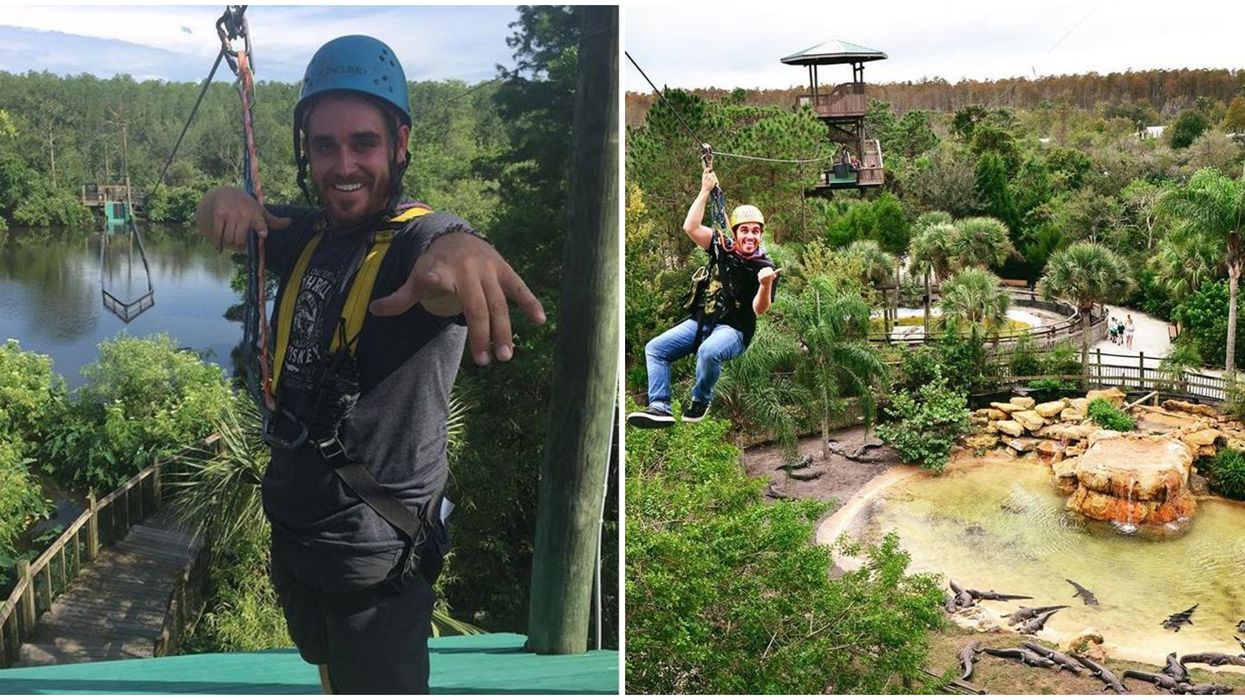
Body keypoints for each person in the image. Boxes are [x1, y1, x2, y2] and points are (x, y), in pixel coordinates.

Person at [195, 35, 543, 693]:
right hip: (299, 529)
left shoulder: (416, 244)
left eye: (363, 143)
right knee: (327, 668)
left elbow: (445, 252)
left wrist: (463, 252)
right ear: (306, 152)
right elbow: (215, 213)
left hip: (377, 552)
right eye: (324, 146)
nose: (342, 164)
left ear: (400, 143)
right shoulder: (307, 233)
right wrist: (222, 198)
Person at [626, 166, 778, 428]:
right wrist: (705, 191)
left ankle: (701, 399)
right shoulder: (722, 247)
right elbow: (691, 227)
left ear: (760, 235)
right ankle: (660, 406)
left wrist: (765, 284)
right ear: (735, 232)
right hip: (701, 322)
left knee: (708, 353)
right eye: (745, 230)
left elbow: (759, 309)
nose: (750, 236)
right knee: (655, 349)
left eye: (755, 231)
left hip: (734, 331)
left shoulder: (764, 267)